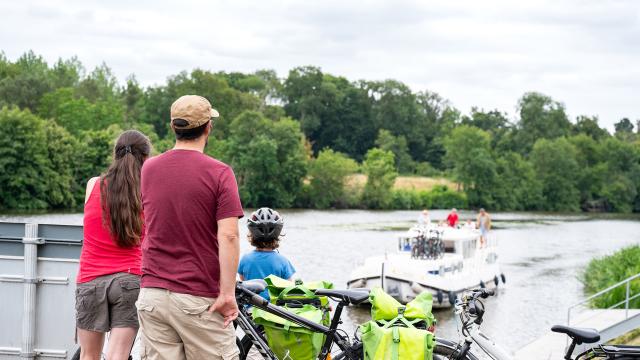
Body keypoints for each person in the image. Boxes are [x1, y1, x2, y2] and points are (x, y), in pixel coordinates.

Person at [136, 95, 244, 360]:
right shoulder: (219, 173)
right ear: (209, 127)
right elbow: (229, 235)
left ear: (173, 127)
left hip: (153, 295)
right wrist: (228, 294)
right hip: (198, 297)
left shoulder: (149, 168)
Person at [75, 130, 151, 360]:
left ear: (115, 154)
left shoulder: (93, 185)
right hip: (130, 280)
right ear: (145, 158)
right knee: (118, 355)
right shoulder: (147, 191)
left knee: (89, 355)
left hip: (90, 280)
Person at [238, 207, 296, 299]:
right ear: (278, 235)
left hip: (249, 309)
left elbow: (243, 281)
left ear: (252, 235)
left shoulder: (245, 259)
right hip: (274, 310)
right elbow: (288, 288)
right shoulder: (283, 261)